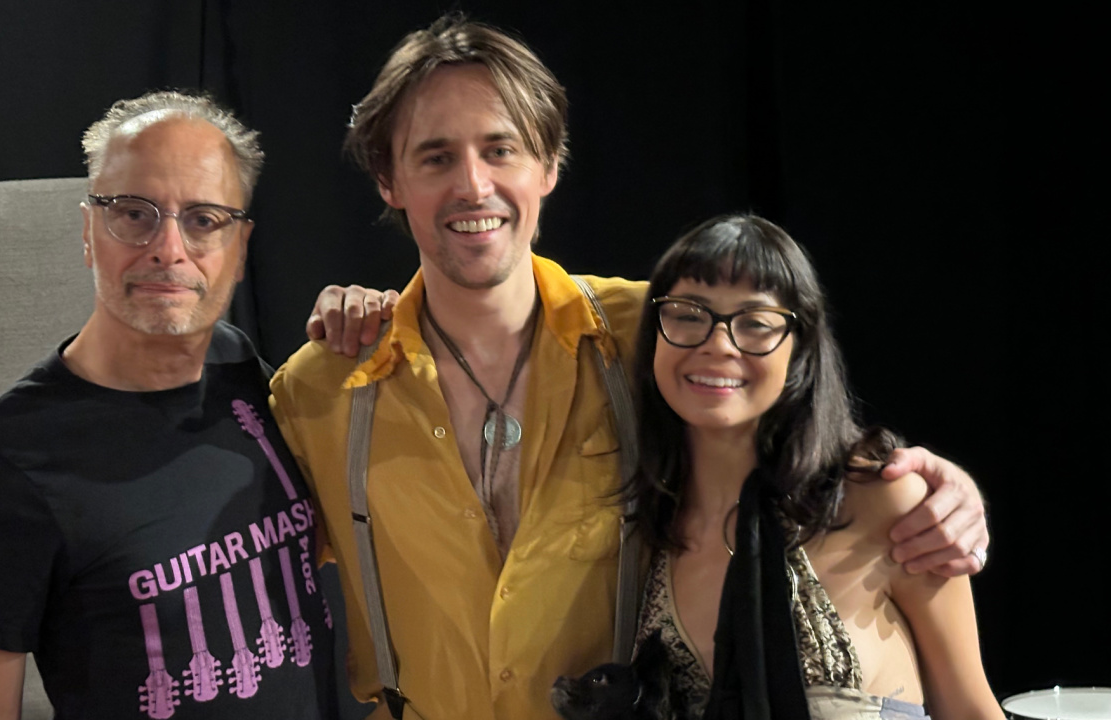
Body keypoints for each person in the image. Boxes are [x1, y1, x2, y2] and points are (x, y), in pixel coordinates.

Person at [278, 15, 990, 720]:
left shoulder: (655, 332)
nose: (473, 184)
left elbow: (803, 432)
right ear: (387, 180)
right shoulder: (323, 387)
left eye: (501, 150)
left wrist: (933, 483)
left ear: (550, 165)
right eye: (435, 157)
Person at [0, 91, 339, 720]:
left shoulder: (241, 368)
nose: (168, 249)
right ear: (89, 231)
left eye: (203, 219)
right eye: (134, 213)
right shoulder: (7, 457)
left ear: (240, 248)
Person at [621, 215, 1002, 718]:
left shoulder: (885, 503)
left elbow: (972, 710)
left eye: (755, 323)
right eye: (689, 315)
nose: (718, 344)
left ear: (799, 348)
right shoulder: (639, 537)